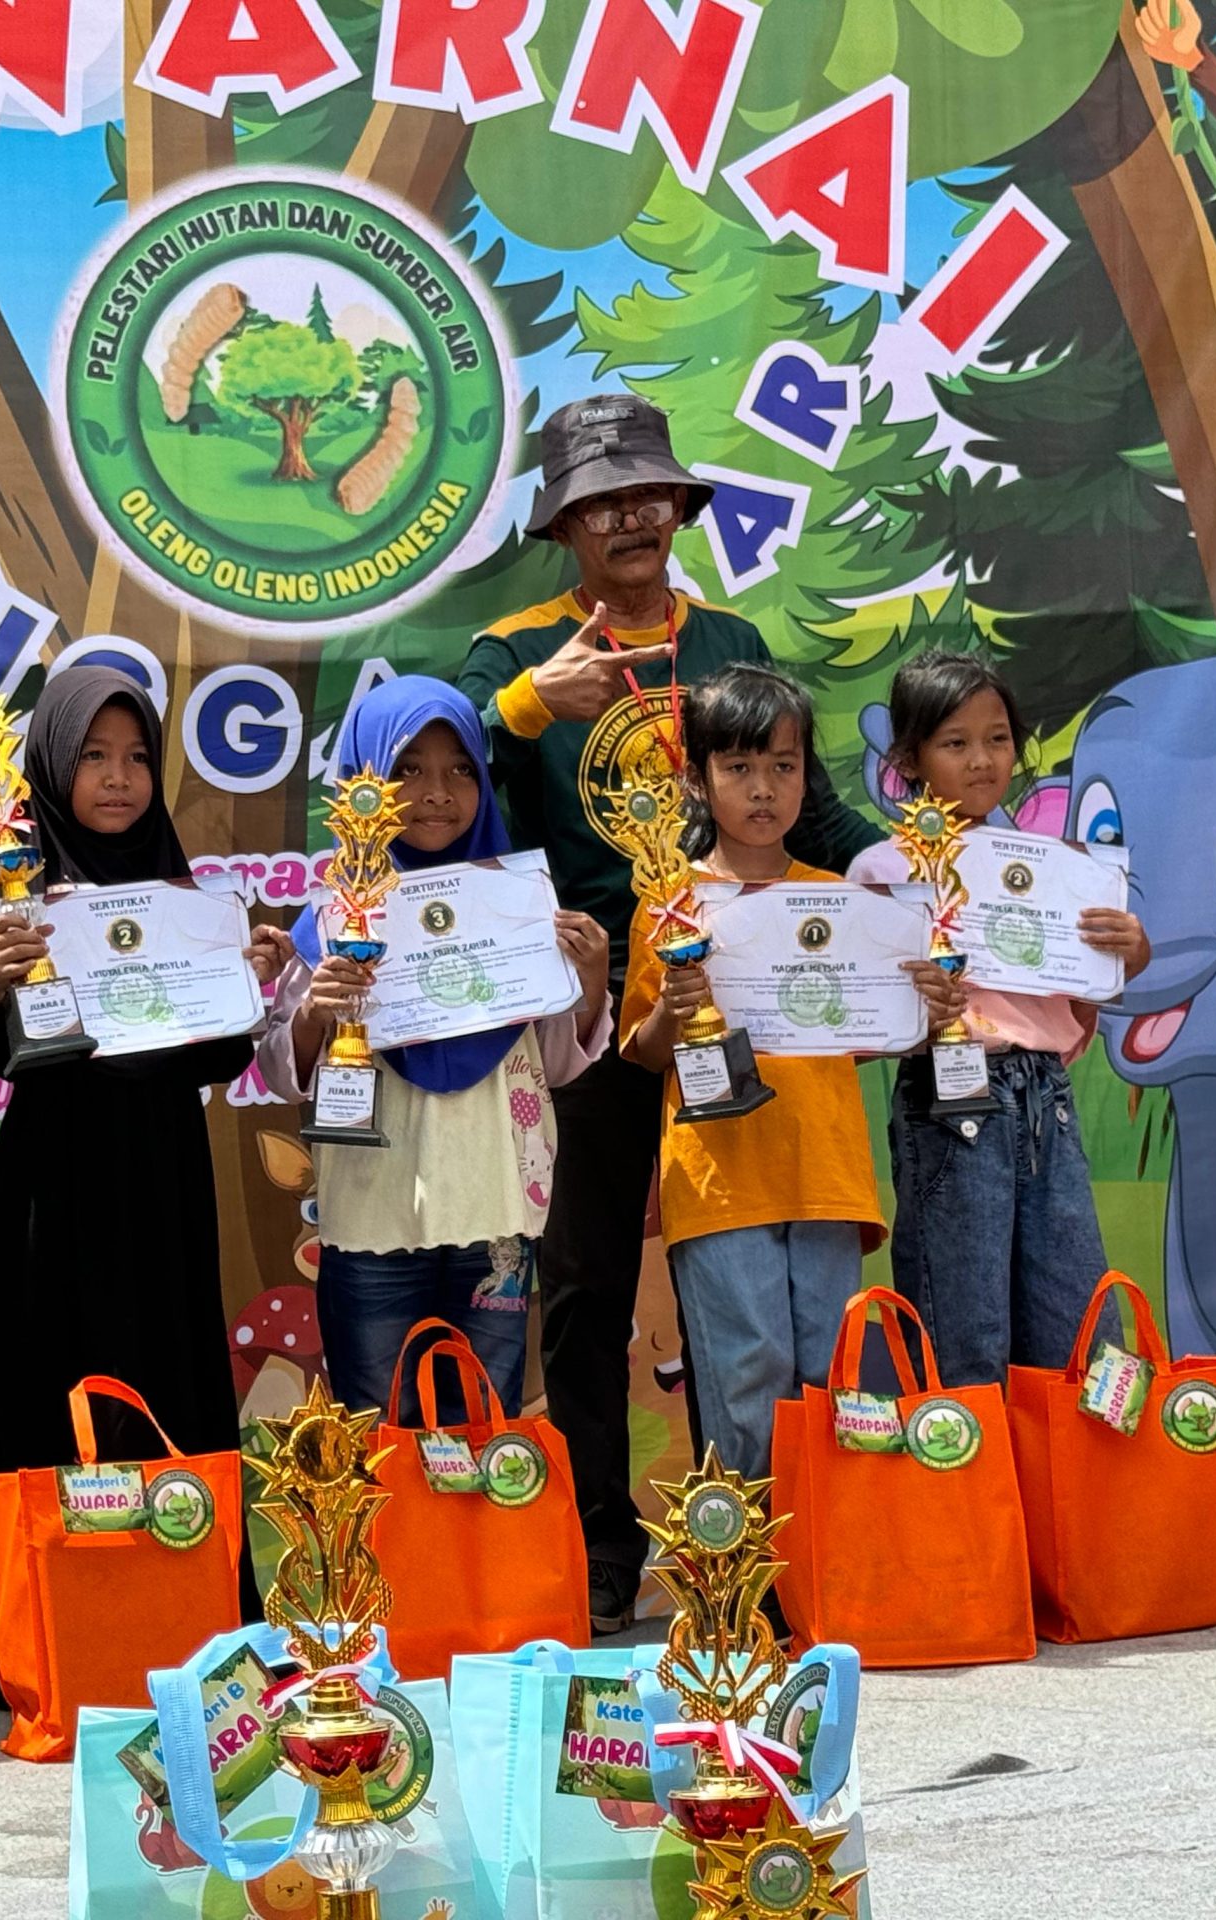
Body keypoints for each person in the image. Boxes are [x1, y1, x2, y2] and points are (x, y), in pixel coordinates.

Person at [454, 394, 884, 1633]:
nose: (630, 516)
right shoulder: (509, 654)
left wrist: (898, 874)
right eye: (603, 500)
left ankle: (759, 1554)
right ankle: (601, 1552)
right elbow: (424, 783)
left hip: (738, 1006)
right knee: (584, 1289)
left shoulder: (727, 637)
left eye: (648, 493)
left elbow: (806, 804)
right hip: (590, 1015)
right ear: (567, 526)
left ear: (676, 509)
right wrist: (531, 706)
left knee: (742, 1285)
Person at [0, 667, 291, 1557]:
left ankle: (194, 1609)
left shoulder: (180, 888)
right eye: (93, 756)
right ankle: (61, 1627)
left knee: (174, 1376)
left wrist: (247, 983)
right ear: (52, 764)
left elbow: (217, 1053)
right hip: (53, 1175)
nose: (119, 777)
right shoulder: (6, 891)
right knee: (55, 1379)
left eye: (135, 757)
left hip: (162, 1167)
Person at [257, 677, 613, 1419]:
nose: (438, 793)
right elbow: (284, 1072)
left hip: (496, 1215)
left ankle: (478, 1545)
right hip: (372, 1218)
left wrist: (582, 981)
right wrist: (318, 1011)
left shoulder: (520, 910)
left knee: (485, 1437)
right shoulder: (329, 922)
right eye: (407, 770)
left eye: (460, 770)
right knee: (381, 1434)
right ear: (361, 785)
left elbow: (555, 1060)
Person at [620, 665, 935, 1480]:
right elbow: (645, 1048)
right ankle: (754, 1581)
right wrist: (673, 1003)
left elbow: (867, 1036)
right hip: (720, 1180)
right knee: (747, 1373)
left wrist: (927, 1007)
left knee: (831, 1379)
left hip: (826, 1174)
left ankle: (825, 1579)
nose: (763, 789)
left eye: (784, 767)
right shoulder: (671, 901)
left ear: (806, 779)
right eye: (739, 768)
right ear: (697, 780)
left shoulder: (839, 898)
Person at [848, 651, 1152, 1385]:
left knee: (1077, 1325)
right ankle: (971, 1495)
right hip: (947, 1102)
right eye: (955, 743)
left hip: (1046, 1095)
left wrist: (1129, 955)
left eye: (997, 739)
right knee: (964, 1326)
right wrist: (920, 1013)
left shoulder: (1055, 868)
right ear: (909, 757)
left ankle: (1072, 1498)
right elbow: (863, 1027)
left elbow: (1080, 1002)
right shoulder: (881, 870)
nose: (982, 761)